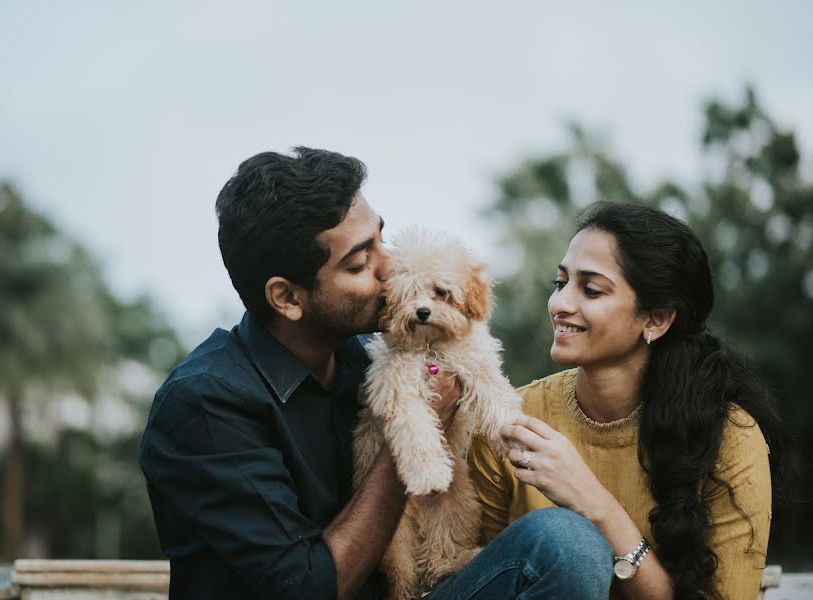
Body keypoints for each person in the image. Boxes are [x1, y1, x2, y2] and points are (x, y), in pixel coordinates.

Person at [138, 147, 615, 600]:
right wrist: (407, 438)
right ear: (287, 298)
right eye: (361, 261)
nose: (389, 270)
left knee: (562, 542)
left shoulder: (374, 349)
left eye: (381, 238)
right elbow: (308, 590)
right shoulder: (204, 404)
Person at [468, 202, 794, 600]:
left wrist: (595, 504)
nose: (559, 304)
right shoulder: (509, 421)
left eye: (590, 289)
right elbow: (483, 579)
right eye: (560, 283)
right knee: (565, 541)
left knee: (571, 537)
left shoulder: (729, 439)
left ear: (655, 319)